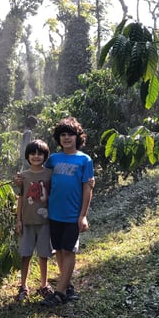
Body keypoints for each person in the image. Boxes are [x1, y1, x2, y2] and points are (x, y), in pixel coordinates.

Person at [40, 117, 94, 306]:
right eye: (62, 134)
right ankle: (67, 285)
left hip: (73, 215)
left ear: (77, 137)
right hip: (54, 213)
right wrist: (22, 181)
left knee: (69, 250)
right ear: (58, 138)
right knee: (59, 251)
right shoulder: (53, 159)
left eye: (70, 134)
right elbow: (41, 177)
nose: (66, 138)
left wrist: (83, 215)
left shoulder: (85, 160)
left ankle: (60, 292)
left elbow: (88, 188)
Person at [14, 139, 54, 302]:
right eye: (33, 153)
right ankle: (23, 286)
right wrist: (18, 220)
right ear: (28, 156)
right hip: (27, 222)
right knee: (25, 254)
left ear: (45, 156)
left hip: (45, 222)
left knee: (44, 254)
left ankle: (44, 285)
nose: (36, 156)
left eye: (40, 154)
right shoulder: (23, 176)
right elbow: (21, 198)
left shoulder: (50, 174)